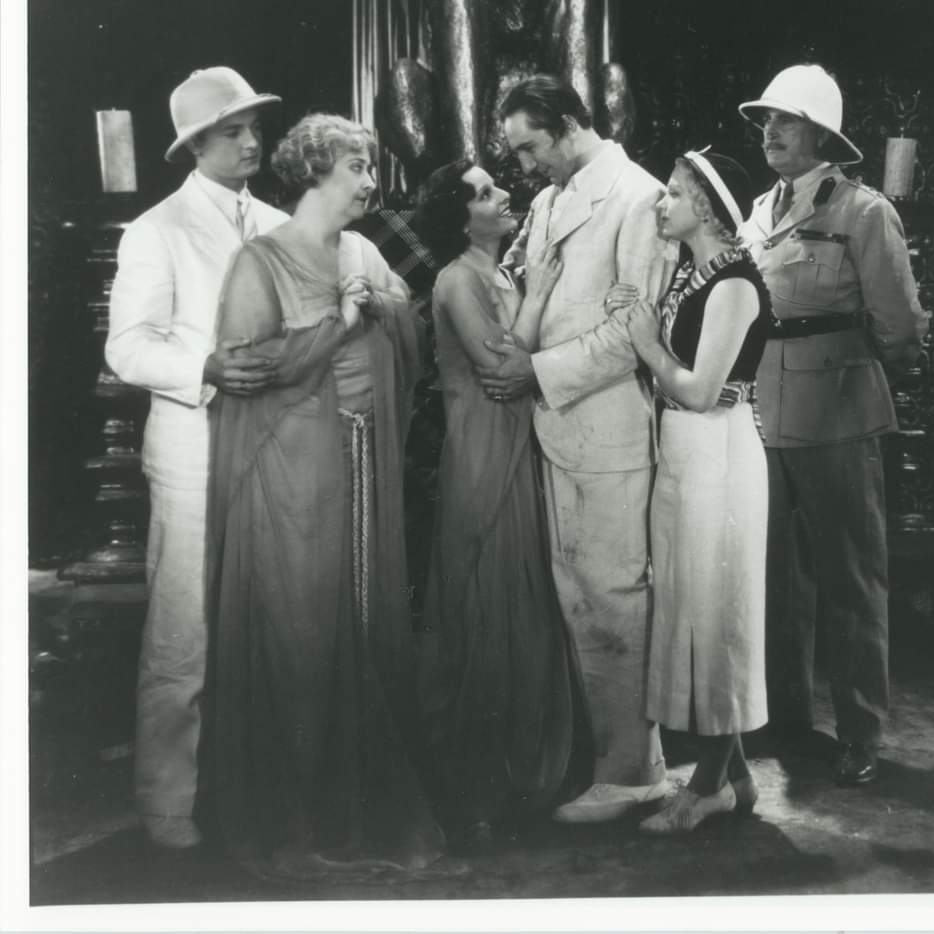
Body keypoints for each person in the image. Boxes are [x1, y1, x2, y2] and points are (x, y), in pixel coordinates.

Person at [204, 114, 444, 875]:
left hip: (365, 455)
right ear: (314, 171)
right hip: (293, 476)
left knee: (368, 624)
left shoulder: (365, 248)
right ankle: (299, 821)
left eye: (370, 166)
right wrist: (341, 321)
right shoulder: (259, 261)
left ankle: (359, 811)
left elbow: (410, 338)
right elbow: (249, 367)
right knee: (304, 634)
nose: (372, 182)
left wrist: (384, 307)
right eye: (357, 167)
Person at [476, 75, 676, 824]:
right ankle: (612, 760)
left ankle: (631, 772)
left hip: (609, 427)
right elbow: (528, 284)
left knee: (612, 596)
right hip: (555, 425)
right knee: (575, 594)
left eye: (531, 145)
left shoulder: (639, 197)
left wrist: (537, 368)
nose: (525, 165)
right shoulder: (550, 198)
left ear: (567, 125)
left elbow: (635, 332)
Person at [106, 66, 287, 850]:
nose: (252, 142)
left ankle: (254, 784)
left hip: (276, 448)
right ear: (194, 147)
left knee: (270, 616)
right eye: (233, 131)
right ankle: (168, 800)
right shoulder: (157, 230)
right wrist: (204, 368)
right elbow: (127, 348)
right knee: (184, 627)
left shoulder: (281, 224)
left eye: (254, 128)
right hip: (192, 447)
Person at [738, 64, 928, 786]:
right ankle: (787, 721)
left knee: (851, 580)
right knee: (777, 582)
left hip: (842, 411)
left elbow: (898, 323)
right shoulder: (758, 211)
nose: (770, 133)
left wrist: (876, 376)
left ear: (822, 134)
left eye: (785, 121)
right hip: (765, 414)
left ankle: (860, 732)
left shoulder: (863, 212)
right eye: (764, 122)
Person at [413, 160, 573, 845]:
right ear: (460, 217)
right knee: (482, 609)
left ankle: (525, 775)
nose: (503, 194)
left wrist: (532, 286)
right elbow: (502, 367)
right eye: (484, 192)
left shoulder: (503, 272)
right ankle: (478, 787)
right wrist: (543, 290)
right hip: (481, 457)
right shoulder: (457, 278)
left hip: (525, 448)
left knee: (527, 605)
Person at [618, 150, 773, 835]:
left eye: (673, 194)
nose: (661, 203)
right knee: (695, 604)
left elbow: (704, 390)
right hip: (686, 450)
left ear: (706, 207)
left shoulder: (734, 284)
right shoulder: (692, 273)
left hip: (720, 451)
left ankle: (706, 787)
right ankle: (732, 774)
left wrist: (648, 346)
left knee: (716, 612)